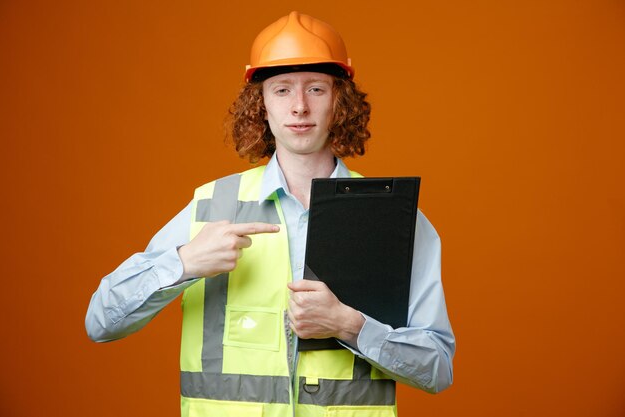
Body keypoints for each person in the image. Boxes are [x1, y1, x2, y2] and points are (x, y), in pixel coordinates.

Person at [86, 11, 455, 417]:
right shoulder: (212, 206)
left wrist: (349, 326)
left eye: (316, 88)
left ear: (339, 101)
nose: (299, 107)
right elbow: (101, 323)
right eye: (281, 90)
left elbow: (437, 368)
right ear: (260, 104)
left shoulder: (390, 216)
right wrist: (184, 262)